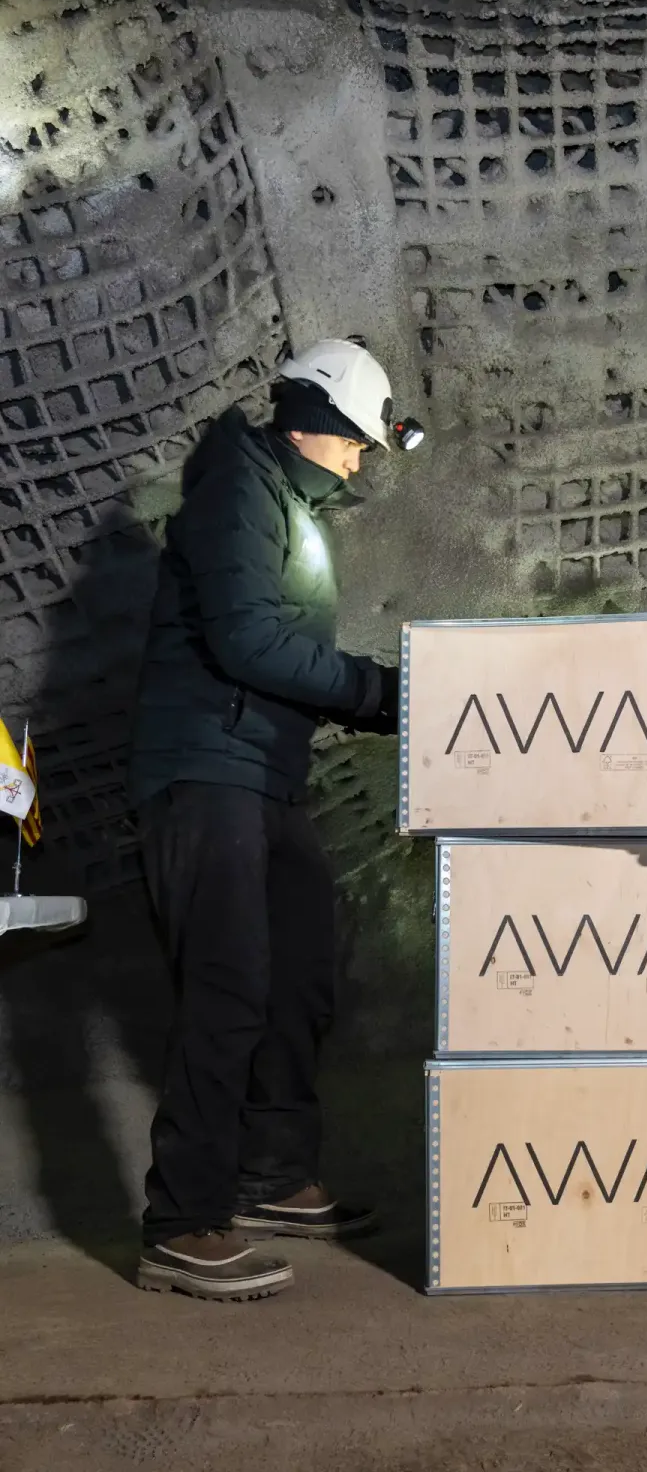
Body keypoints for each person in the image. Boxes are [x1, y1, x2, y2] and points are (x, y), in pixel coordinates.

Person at [128, 340, 406, 1302]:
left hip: (260, 778)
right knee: (229, 986)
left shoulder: (283, 503)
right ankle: (181, 1222)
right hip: (205, 775)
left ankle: (271, 1175)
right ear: (315, 427)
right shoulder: (235, 494)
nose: (360, 461)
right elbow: (250, 643)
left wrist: (373, 693)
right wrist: (379, 693)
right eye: (355, 445)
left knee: (298, 974)